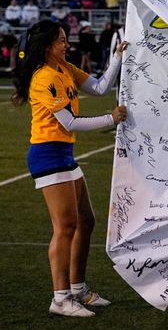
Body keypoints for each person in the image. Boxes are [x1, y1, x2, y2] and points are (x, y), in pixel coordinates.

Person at [11, 20, 128, 317]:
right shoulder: (44, 77)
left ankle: (78, 289)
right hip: (48, 156)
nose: (67, 44)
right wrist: (111, 119)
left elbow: (100, 88)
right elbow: (70, 122)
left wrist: (118, 56)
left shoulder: (65, 67)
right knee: (65, 228)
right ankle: (61, 298)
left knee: (86, 221)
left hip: (64, 154)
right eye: (61, 40)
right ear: (47, 46)